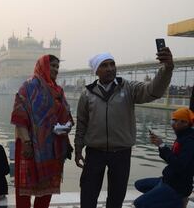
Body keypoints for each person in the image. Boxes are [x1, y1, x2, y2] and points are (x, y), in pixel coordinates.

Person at [74, 48, 174, 208]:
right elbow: (82, 123)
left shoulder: (128, 88)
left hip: (121, 153)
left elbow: (153, 91)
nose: (110, 68)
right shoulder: (87, 94)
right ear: (96, 71)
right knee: (88, 193)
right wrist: (78, 148)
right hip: (94, 152)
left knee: (116, 197)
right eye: (104, 65)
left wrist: (167, 68)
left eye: (112, 64)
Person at [11, 54, 74, 208]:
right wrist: (26, 142)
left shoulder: (58, 90)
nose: (55, 69)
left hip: (52, 146)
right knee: (24, 190)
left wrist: (66, 131)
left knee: (47, 190)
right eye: (52, 65)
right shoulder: (28, 87)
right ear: (42, 66)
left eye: (57, 67)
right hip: (29, 145)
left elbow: (66, 117)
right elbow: (19, 118)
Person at [133, 107, 194, 208]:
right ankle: (172, 200)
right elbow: (171, 158)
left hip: (177, 187)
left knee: (139, 203)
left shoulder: (190, 141)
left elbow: (179, 165)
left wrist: (162, 146)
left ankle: (178, 201)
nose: (172, 123)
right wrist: (160, 146)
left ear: (185, 123)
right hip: (168, 179)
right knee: (139, 184)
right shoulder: (182, 136)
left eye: (175, 120)